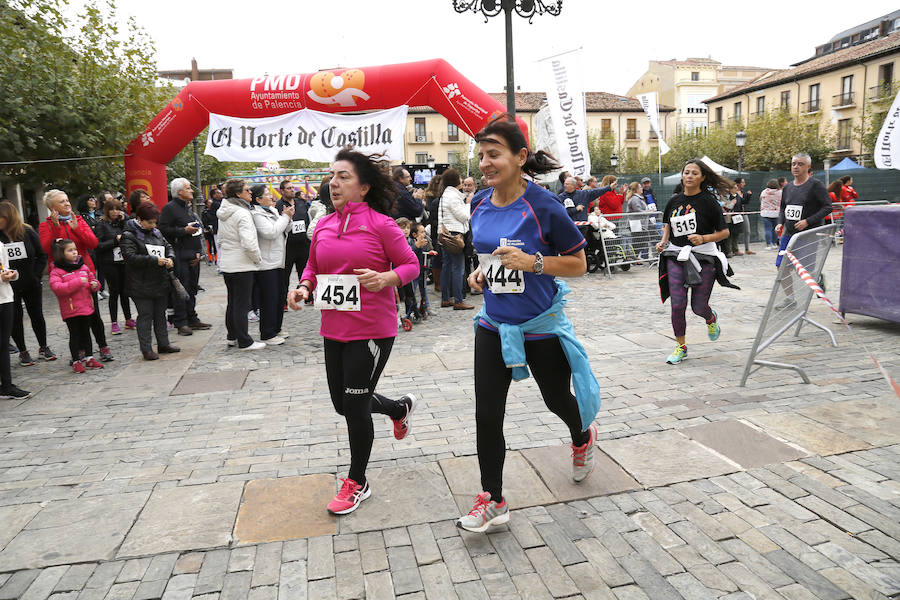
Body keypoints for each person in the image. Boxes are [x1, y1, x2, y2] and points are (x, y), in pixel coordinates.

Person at [457, 115, 602, 533]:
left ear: (520, 157)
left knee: (556, 398)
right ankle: (494, 499)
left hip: (540, 325)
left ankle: (581, 436)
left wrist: (534, 262)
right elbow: (488, 257)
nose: (485, 163)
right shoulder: (479, 202)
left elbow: (579, 264)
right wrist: (479, 275)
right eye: (481, 155)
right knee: (487, 414)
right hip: (493, 325)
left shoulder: (544, 206)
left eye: (494, 154)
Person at [286, 148, 420, 516]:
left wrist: (385, 278)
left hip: (372, 329)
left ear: (363, 187)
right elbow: (313, 265)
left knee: (356, 406)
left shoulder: (381, 224)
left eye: (343, 176)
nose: (334, 182)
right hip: (334, 327)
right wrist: (304, 287)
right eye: (332, 176)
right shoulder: (325, 224)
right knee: (342, 404)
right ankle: (397, 408)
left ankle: (357, 482)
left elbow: (411, 265)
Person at [655, 159, 738, 366]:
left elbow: (724, 232)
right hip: (676, 256)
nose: (689, 176)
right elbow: (668, 224)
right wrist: (663, 242)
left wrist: (703, 238)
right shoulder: (674, 201)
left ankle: (710, 318)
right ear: (682, 176)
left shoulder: (709, 202)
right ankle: (681, 347)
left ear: (702, 177)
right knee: (677, 304)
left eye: (694, 173)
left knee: (698, 307)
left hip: (704, 257)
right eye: (686, 172)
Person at [39, 190, 113, 361]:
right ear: (52, 207)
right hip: (63, 279)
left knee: (93, 313)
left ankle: (103, 347)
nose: (67, 204)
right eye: (61, 202)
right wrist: (57, 229)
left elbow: (93, 243)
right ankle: (80, 351)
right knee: (74, 316)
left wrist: (77, 229)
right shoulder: (46, 225)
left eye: (67, 200)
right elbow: (47, 249)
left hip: (84, 274)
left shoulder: (78, 220)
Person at [120, 203, 180, 360]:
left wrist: (170, 258)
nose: (153, 225)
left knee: (160, 314)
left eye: (155, 222)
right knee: (145, 315)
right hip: (140, 283)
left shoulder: (157, 233)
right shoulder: (129, 235)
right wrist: (154, 260)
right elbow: (130, 257)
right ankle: (146, 349)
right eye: (150, 222)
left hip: (159, 280)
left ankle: (163, 343)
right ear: (139, 219)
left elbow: (168, 247)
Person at [0, 203, 55, 366]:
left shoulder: (27, 232)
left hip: (31, 282)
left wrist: (36, 275)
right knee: (15, 319)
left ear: (8, 217)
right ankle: (23, 351)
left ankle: (43, 347)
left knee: (37, 315)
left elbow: (41, 255)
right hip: (9, 286)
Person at [774, 153, 832, 305]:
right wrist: (780, 222)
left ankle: (817, 277)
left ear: (808, 167)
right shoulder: (787, 187)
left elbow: (828, 207)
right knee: (782, 266)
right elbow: (783, 208)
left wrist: (807, 221)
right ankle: (790, 298)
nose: (796, 167)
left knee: (803, 270)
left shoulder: (815, 185)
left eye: (800, 164)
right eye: (794, 164)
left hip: (807, 234)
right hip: (788, 233)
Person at [217, 179, 265, 350]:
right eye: (246, 190)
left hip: (229, 262)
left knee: (233, 302)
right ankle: (244, 340)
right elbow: (248, 242)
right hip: (241, 263)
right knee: (241, 304)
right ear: (238, 194)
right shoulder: (242, 213)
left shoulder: (226, 210)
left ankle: (232, 336)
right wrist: (257, 258)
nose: (250, 192)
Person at [159, 178, 211, 336]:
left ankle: (192, 317)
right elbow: (163, 229)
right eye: (188, 188)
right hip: (179, 254)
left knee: (193, 288)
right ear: (179, 192)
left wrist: (198, 252)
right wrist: (183, 230)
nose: (192, 191)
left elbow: (196, 231)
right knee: (181, 289)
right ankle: (180, 321)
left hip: (192, 253)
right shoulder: (170, 208)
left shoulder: (188, 208)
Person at [48, 239, 105, 373]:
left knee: (86, 333)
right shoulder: (57, 271)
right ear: (61, 254)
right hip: (71, 310)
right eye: (70, 250)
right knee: (75, 335)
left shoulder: (83, 266)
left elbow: (92, 279)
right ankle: (76, 360)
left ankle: (89, 358)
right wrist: (77, 282)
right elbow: (57, 288)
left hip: (86, 307)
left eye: (75, 249)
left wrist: (95, 285)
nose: (74, 252)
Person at [251, 184, 292, 344]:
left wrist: (287, 218)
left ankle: (277, 328)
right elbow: (270, 232)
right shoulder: (256, 214)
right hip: (266, 263)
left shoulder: (273, 210)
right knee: (269, 298)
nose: (271, 196)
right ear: (258, 199)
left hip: (279, 260)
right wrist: (284, 218)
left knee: (280, 296)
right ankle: (267, 333)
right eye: (267, 194)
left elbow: (283, 230)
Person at [94, 198, 135, 335]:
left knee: (125, 291)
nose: (114, 212)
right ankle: (114, 322)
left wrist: (124, 219)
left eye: (117, 209)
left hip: (123, 261)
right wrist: (114, 241)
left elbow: (130, 233)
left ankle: (128, 319)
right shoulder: (101, 224)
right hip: (109, 262)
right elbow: (98, 246)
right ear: (107, 210)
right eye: (111, 209)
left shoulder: (121, 222)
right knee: (114, 291)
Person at [436, 168, 472, 310]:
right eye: (460, 178)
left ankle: (446, 298)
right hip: (454, 234)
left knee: (447, 267)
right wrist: (469, 203)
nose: (462, 180)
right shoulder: (452, 196)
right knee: (458, 268)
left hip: (445, 234)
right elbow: (463, 216)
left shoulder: (447, 194)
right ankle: (458, 300)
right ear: (456, 180)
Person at [0, 231, 30, 397]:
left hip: (5, 297)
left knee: (3, 345)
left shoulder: (0, 245)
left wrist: (12, 275)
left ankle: (6, 385)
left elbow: (4, 268)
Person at [276, 180, 311, 308]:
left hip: (303, 244)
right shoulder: (278, 205)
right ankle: (283, 301)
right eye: (288, 188)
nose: (292, 190)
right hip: (287, 246)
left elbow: (308, 220)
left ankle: (308, 297)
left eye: (292, 187)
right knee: (285, 275)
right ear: (282, 191)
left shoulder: (301, 203)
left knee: (305, 273)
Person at [624, 182, 649, 259]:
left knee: (641, 241)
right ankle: (631, 256)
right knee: (639, 241)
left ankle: (633, 257)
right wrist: (648, 212)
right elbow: (638, 210)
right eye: (640, 187)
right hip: (636, 224)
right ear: (637, 189)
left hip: (639, 223)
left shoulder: (638, 198)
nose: (642, 188)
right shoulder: (635, 199)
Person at [733, 177, 755, 255]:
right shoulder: (733, 193)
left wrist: (749, 196)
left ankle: (747, 249)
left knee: (747, 231)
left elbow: (745, 202)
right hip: (735, 214)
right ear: (738, 184)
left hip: (744, 213)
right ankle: (735, 249)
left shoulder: (743, 192)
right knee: (735, 232)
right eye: (742, 182)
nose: (744, 184)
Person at [759, 179, 781, 250]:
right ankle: (774, 244)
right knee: (775, 229)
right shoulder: (780, 192)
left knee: (767, 229)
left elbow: (760, 199)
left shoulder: (764, 192)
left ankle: (768, 245)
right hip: (776, 213)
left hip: (765, 213)